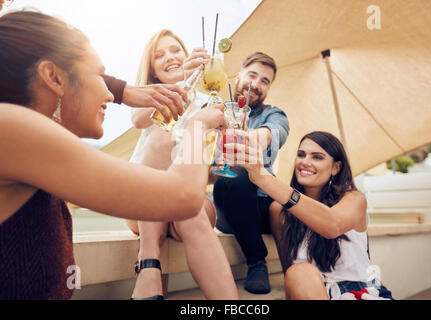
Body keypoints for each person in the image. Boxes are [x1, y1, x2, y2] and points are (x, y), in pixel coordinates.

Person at [0, 11, 226, 300]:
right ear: (54, 78)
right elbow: (184, 196)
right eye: (100, 76)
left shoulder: (24, 141)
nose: (111, 95)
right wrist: (198, 126)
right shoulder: (15, 132)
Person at [125, 29, 239, 300]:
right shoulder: (149, 95)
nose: (169, 57)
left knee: (194, 212)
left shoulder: (209, 105)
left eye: (175, 50)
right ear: (151, 68)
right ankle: (149, 260)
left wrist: (220, 159)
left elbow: (209, 174)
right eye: (159, 55)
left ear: (187, 54)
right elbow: (138, 120)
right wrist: (180, 81)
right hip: (140, 207)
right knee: (161, 137)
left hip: (187, 203)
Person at [225, 130, 394, 299]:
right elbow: (290, 273)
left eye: (317, 157)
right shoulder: (279, 212)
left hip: (359, 291)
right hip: (310, 291)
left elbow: (332, 225)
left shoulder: (353, 199)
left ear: (336, 167)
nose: (305, 162)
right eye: (301, 155)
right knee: (299, 272)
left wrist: (264, 178)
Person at [212, 52, 290, 294]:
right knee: (235, 174)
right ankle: (257, 262)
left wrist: (253, 137)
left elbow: (276, 132)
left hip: (265, 205)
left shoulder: (274, 114)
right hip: (230, 205)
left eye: (265, 81)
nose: (256, 85)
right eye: (252, 76)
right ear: (238, 76)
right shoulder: (214, 111)